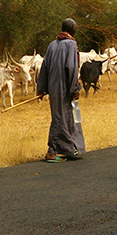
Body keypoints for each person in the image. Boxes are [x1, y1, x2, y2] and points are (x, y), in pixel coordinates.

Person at [36, 18, 86, 163]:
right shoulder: (71, 45)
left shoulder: (52, 45)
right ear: (72, 30)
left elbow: (44, 68)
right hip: (64, 88)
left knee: (65, 118)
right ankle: (52, 151)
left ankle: (70, 148)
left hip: (53, 88)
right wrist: (74, 89)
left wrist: (42, 89)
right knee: (61, 119)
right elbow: (71, 68)